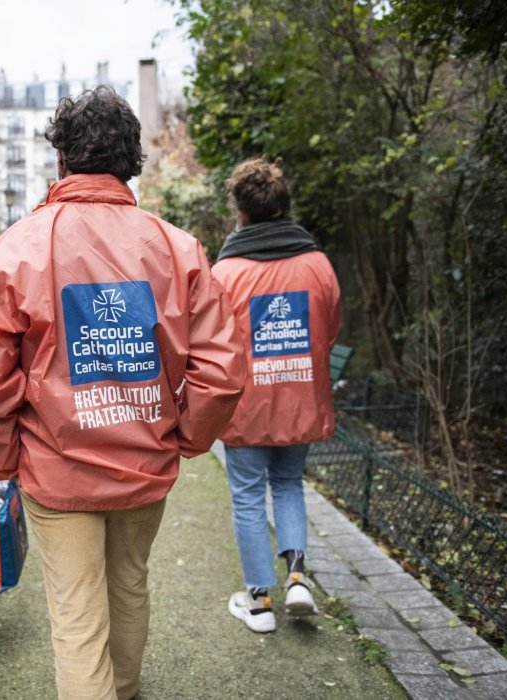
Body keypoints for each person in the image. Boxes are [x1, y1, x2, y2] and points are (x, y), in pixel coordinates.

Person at [0, 86, 245, 700]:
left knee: (77, 613)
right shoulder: (178, 248)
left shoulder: (15, 250)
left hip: (58, 469)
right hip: (146, 460)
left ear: (61, 160)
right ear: (132, 161)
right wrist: (185, 437)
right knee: (129, 585)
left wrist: (1, 460)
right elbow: (222, 369)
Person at [211, 157, 342, 633]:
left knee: (246, 497)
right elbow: (329, 332)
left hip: (246, 407)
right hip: (300, 397)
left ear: (240, 213)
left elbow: (212, 343)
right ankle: (299, 577)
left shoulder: (226, 273)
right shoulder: (318, 264)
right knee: (288, 485)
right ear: (285, 208)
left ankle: (259, 601)